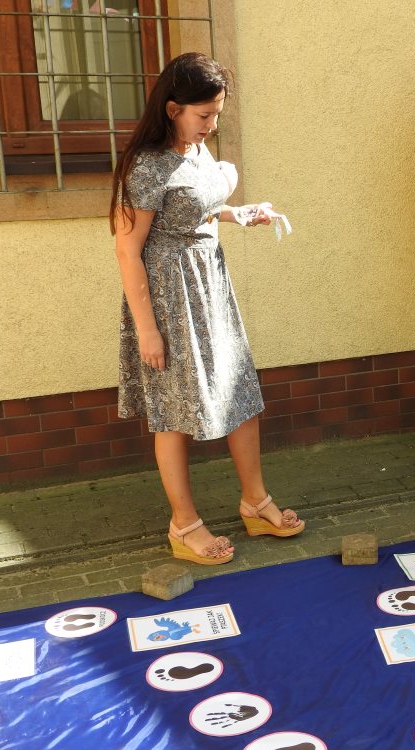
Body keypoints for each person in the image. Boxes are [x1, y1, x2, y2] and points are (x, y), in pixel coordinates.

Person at [109, 52, 303, 566]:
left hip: (211, 287)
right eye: (204, 115)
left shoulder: (195, 149)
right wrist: (147, 330)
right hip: (168, 299)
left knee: (241, 393)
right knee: (172, 413)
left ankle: (255, 503)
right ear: (173, 109)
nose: (212, 125)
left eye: (217, 114)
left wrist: (238, 213)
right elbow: (127, 250)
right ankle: (184, 525)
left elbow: (197, 210)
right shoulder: (146, 165)